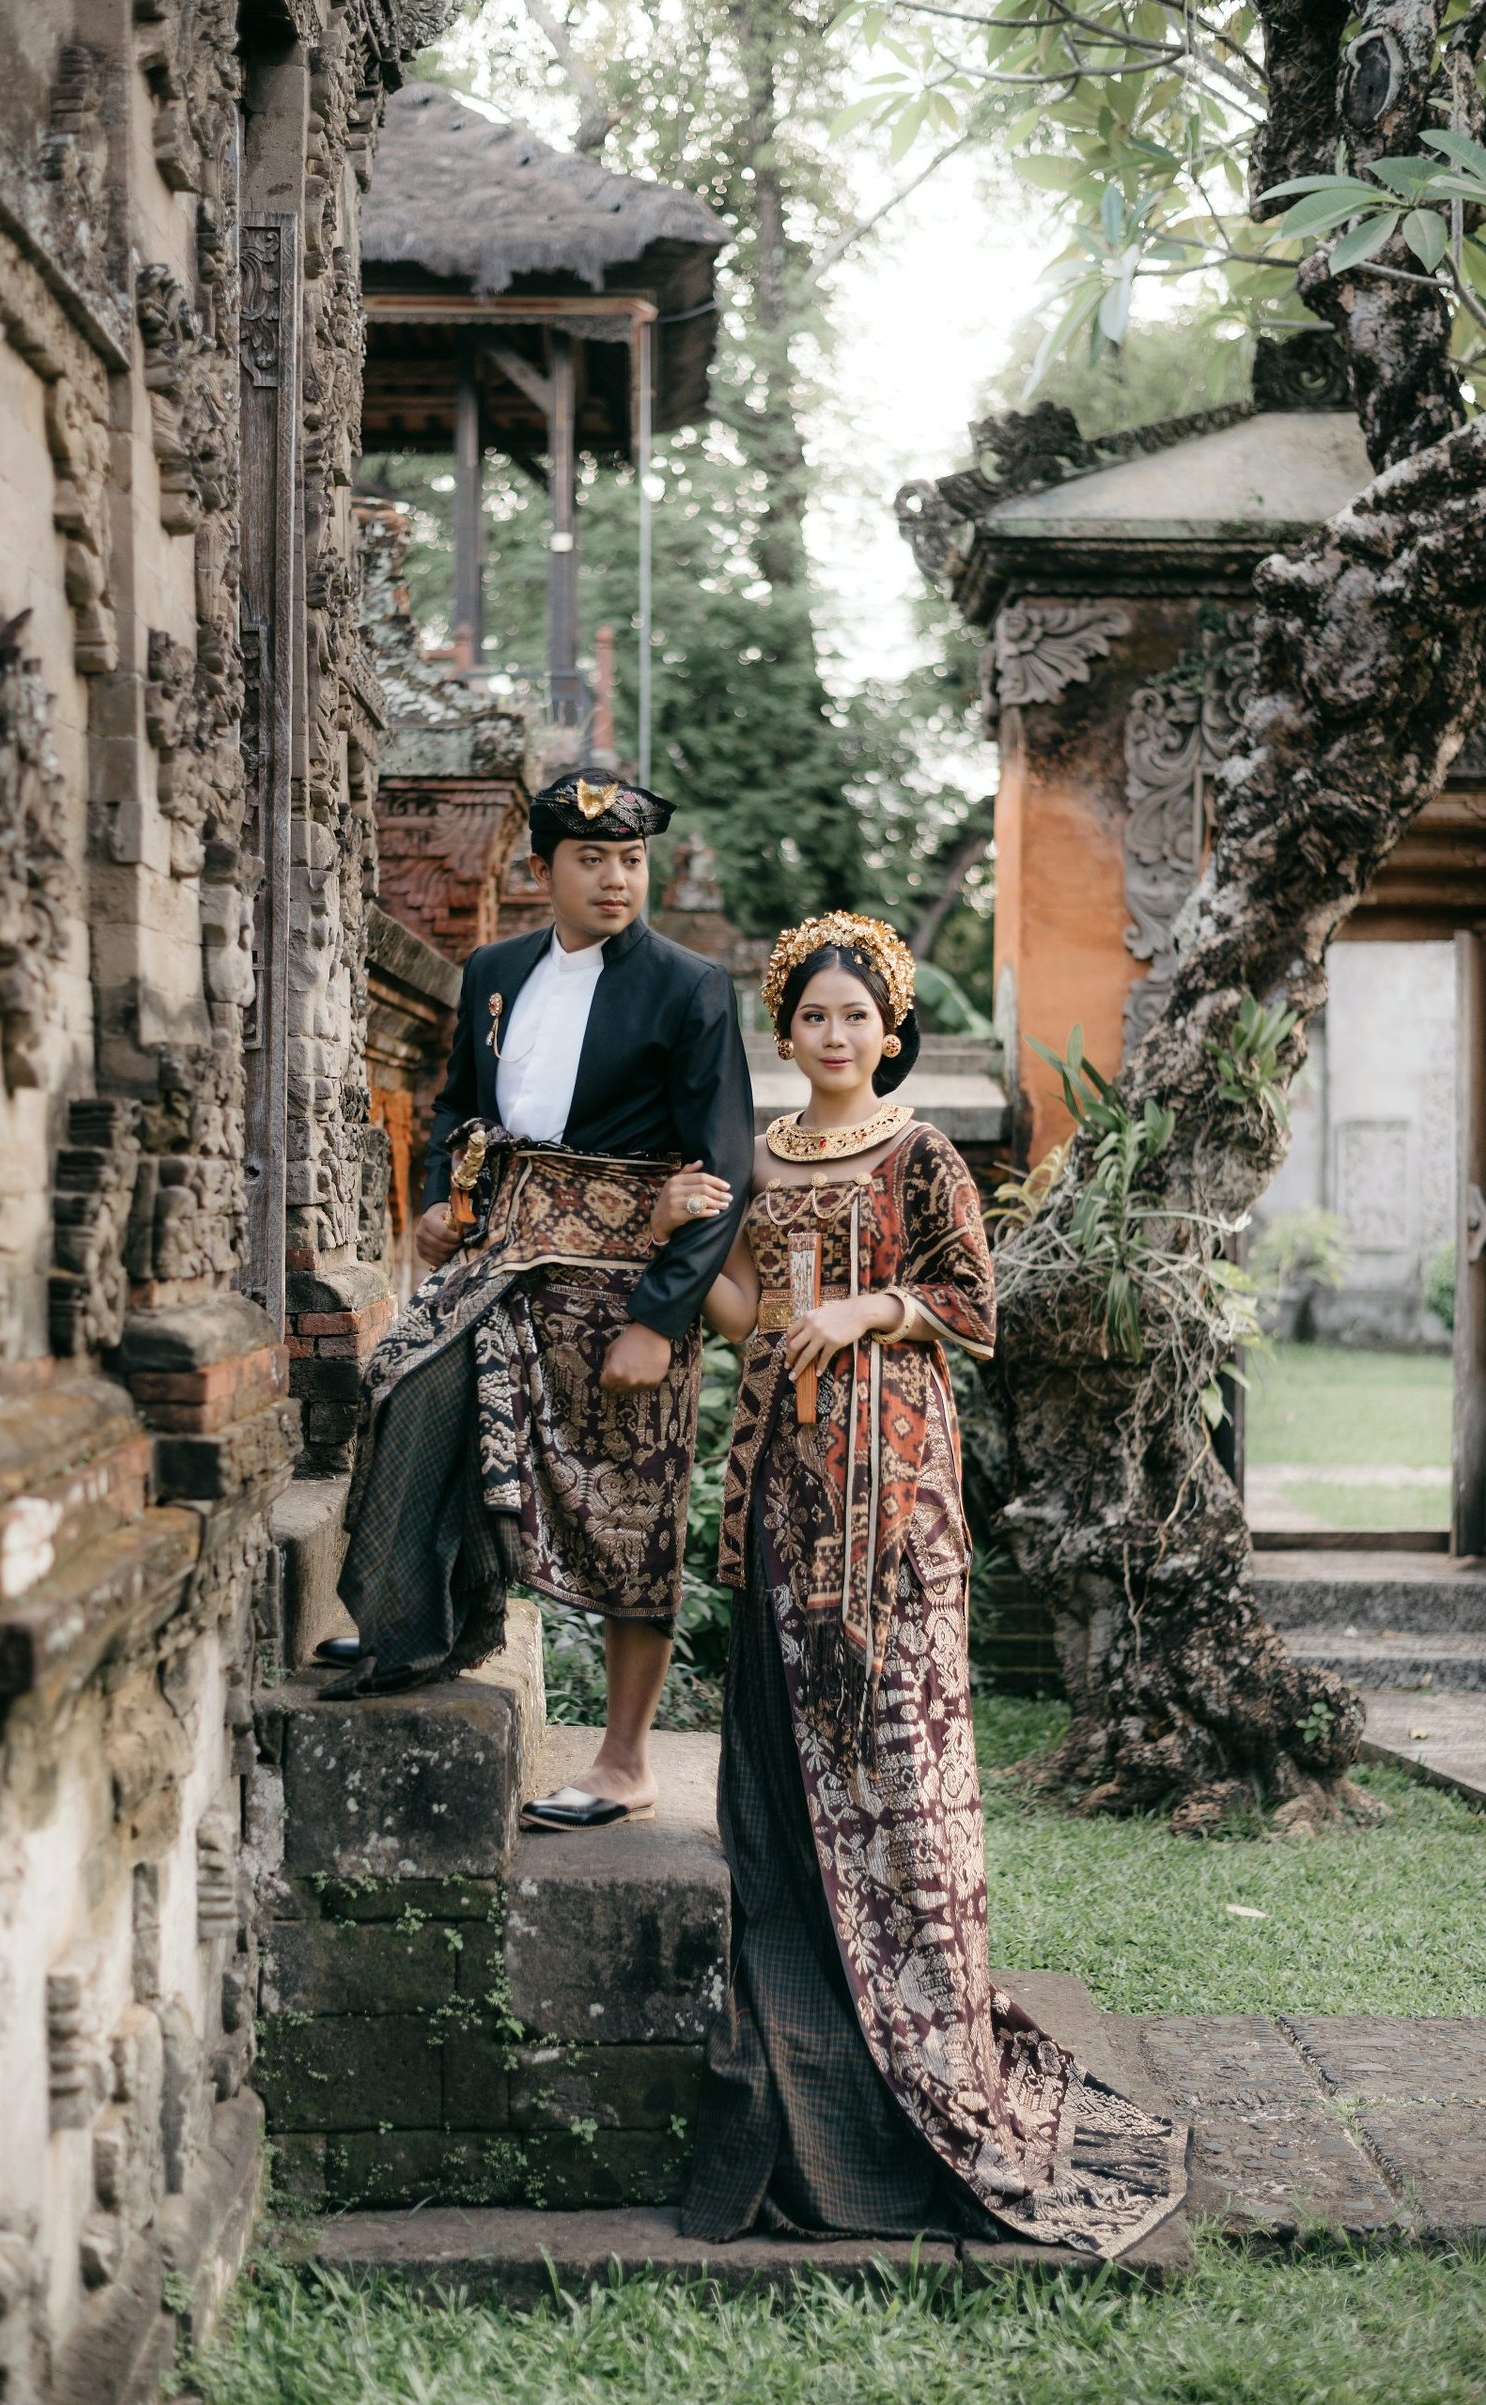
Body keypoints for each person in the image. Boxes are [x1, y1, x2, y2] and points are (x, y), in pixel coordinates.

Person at [652, 911, 1186, 2254]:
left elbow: (974, 1307)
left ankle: (928, 2028)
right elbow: (750, 1321)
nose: (835, 1035)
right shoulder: (761, 1156)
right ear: (785, 1031)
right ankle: (814, 2037)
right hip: (782, 1480)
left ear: (890, 1032)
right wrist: (696, 1245)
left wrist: (868, 1307)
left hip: (895, 1494)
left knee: (898, 1752)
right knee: (785, 1750)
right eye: (812, 1016)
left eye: (856, 1016)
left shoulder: (921, 1152)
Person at [322, 769, 753, 1836]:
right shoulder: (493, 972)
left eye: (631, 860)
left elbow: (722, 1167)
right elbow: (457, 1109)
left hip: (622, 1283)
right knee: (408, 1385)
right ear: (541, 869)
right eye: (591, 859)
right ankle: (409, 1624)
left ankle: (624, 1760)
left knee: (628, 1505)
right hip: (501, 1253)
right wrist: (440, 1202)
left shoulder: (689, 987)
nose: (616, 879)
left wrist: (659, 1318)